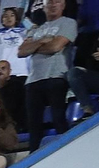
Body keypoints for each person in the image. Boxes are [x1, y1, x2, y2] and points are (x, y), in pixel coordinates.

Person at [18, 0, 77, 150]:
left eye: (57, 1)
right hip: (33, 80)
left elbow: (55, 46)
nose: (53, 4)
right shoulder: (35, 29)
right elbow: (21, 51)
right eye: (49, 2)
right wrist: (43, 42)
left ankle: (67, 152)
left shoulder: (68, 23)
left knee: (59, 120)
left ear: (63, 5)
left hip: (55, 76)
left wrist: (34, 46)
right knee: (33, 127)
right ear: (43, 7)